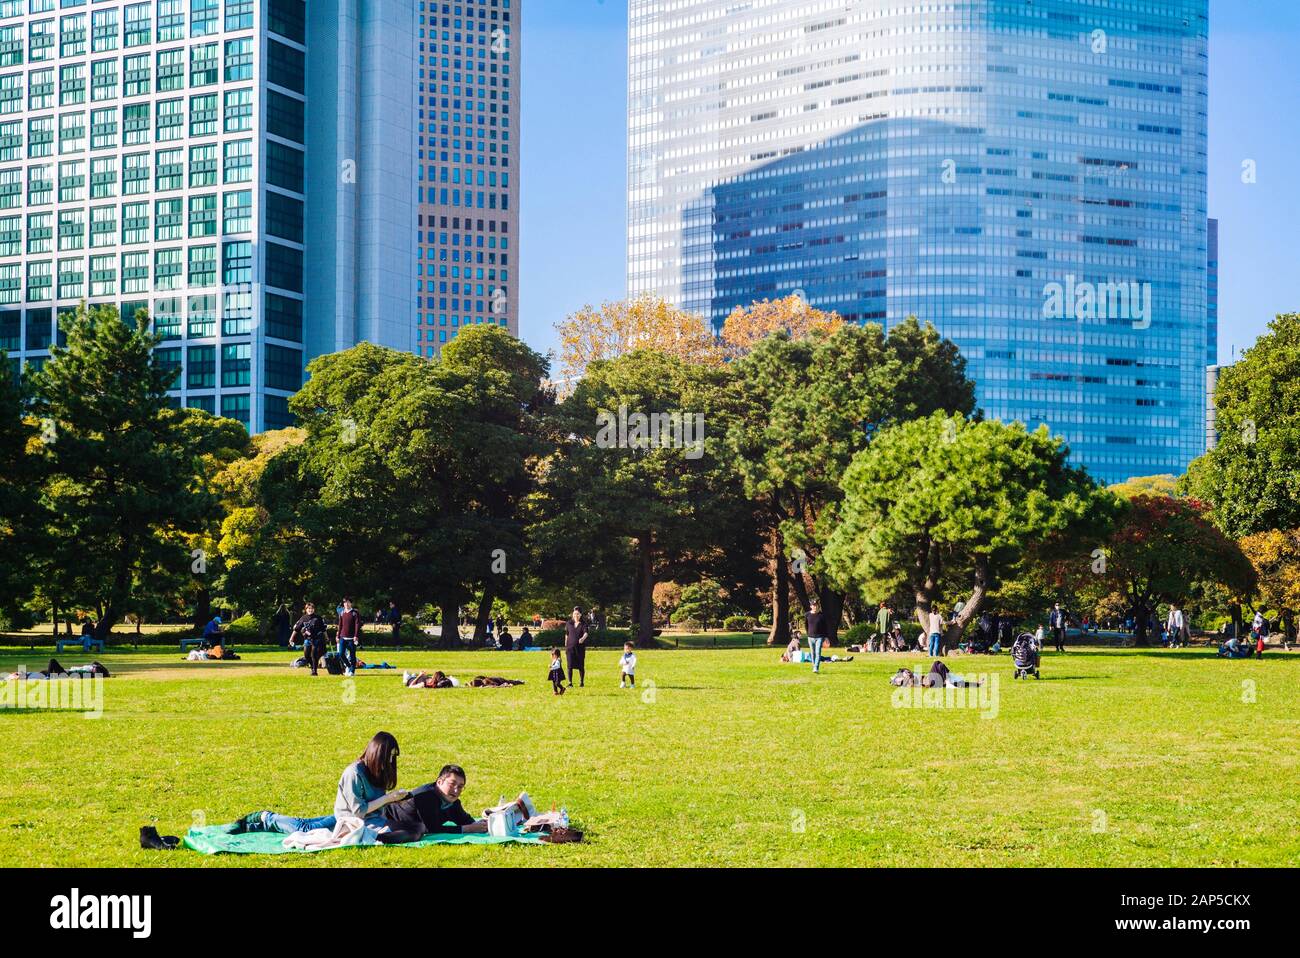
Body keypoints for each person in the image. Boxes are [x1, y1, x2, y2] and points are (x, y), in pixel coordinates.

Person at [233, 732, 409, 835]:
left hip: (364, 820)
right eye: (389, 756)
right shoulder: (354, 773)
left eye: (393, 756)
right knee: (304, 828)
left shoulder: (378, 771)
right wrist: (388, 798)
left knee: (306, 823)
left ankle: (254, 826)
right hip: (348, 820)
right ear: (377, 755)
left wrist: (398, 799)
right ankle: (267, 817)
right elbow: (359, 811)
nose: (391, 761)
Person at [377, 765, 487, 844]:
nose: (456, 789)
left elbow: (465, 820)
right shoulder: (426, 795)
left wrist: (481, 824)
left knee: (419, 829)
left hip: (405, 824)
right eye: (452, 784)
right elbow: (432, 828)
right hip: (384, 819)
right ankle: (376, 838)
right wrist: (467, 829)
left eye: (460, 786)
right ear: (439, 782)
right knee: (419, 830)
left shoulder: (453, 802)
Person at [290, 602, 328, 676]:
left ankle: (314, 671)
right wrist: (291, 638)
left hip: (316, 639)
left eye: (312, 608)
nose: (310, 610)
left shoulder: (318, 618)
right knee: (306, 655)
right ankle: (312, 667)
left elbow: (323, 629)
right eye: (309, 608)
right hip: (307, 639)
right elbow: (297, 629)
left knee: (314, 655)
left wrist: (326, 637)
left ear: (314, 609)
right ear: (306, 610)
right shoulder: (303, 618)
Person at [337, 597, 361, 678]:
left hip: (352, 638)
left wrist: (356, 636)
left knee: (352, 655)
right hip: (342, 637)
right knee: (341, 654)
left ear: (351, 603)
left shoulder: (355, 613)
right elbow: (340, 625)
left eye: (348, 602)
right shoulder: (342, 612)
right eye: (345, 603)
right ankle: (348, 666)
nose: (346, 604)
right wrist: (338, 636)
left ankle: (352, 671)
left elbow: (357, 625)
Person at [564, 607, 588, 688]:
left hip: (580, 648)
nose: (576, 615)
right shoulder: (569, 623)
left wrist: (582, 639)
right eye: (574, 614)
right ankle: (570, 682)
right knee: (569, 665)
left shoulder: (583, 624)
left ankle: (581, 682)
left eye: (577, 614)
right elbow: (567, 634)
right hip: (570, 648)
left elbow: (586, 633)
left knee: (581, 665)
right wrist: (565, 645)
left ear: (580, 615)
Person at [806, 601, 828, 673]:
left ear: (818, 606)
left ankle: (816, 667)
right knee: (812, 653)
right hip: (810, 637)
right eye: (813, 605)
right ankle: (814, 666)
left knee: (818, 652)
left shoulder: (821, 615)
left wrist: (826, 637)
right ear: (811, 606)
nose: (815, 607)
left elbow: (825, 627)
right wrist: (808, 634)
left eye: (816, 605)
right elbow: (806, 625)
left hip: (819, 637)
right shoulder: (807, 615)